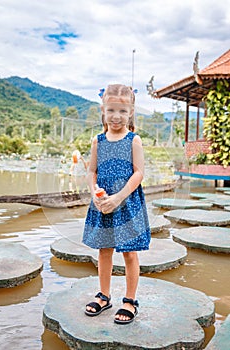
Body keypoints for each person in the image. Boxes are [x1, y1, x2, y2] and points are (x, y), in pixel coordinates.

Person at [82, 84, 151, 325]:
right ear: (103, 110)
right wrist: (94, 194)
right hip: (103, 203)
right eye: (111, 110)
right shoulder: (98, 141)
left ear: (131, 112)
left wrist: (119, 197)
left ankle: (130, 300)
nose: (116, 116)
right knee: (104, 250)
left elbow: (139, 173)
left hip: (126, 202)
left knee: (129, 253)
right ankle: (104, 296)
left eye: (122, 111)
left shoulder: (134, 140)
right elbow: (92, 171)